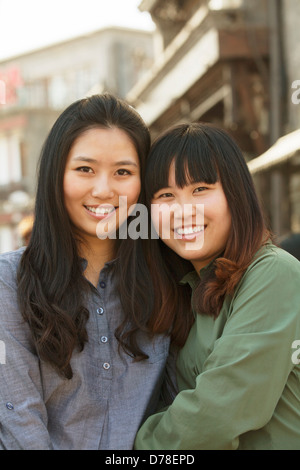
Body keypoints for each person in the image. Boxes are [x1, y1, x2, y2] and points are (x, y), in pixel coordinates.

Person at [0, 93, 177, 450]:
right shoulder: (9, 281)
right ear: (56, 174)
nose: (103, 190)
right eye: (85, 169)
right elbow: (19, 417)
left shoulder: (168, 277)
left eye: (123, 172)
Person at [134, 122, 300, 450]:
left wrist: (129, 447)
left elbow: (215, 415)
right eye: (166, 195)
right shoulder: (190, 287)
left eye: (200, 189)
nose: (183, 211)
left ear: (235, 194)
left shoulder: (273, 275)